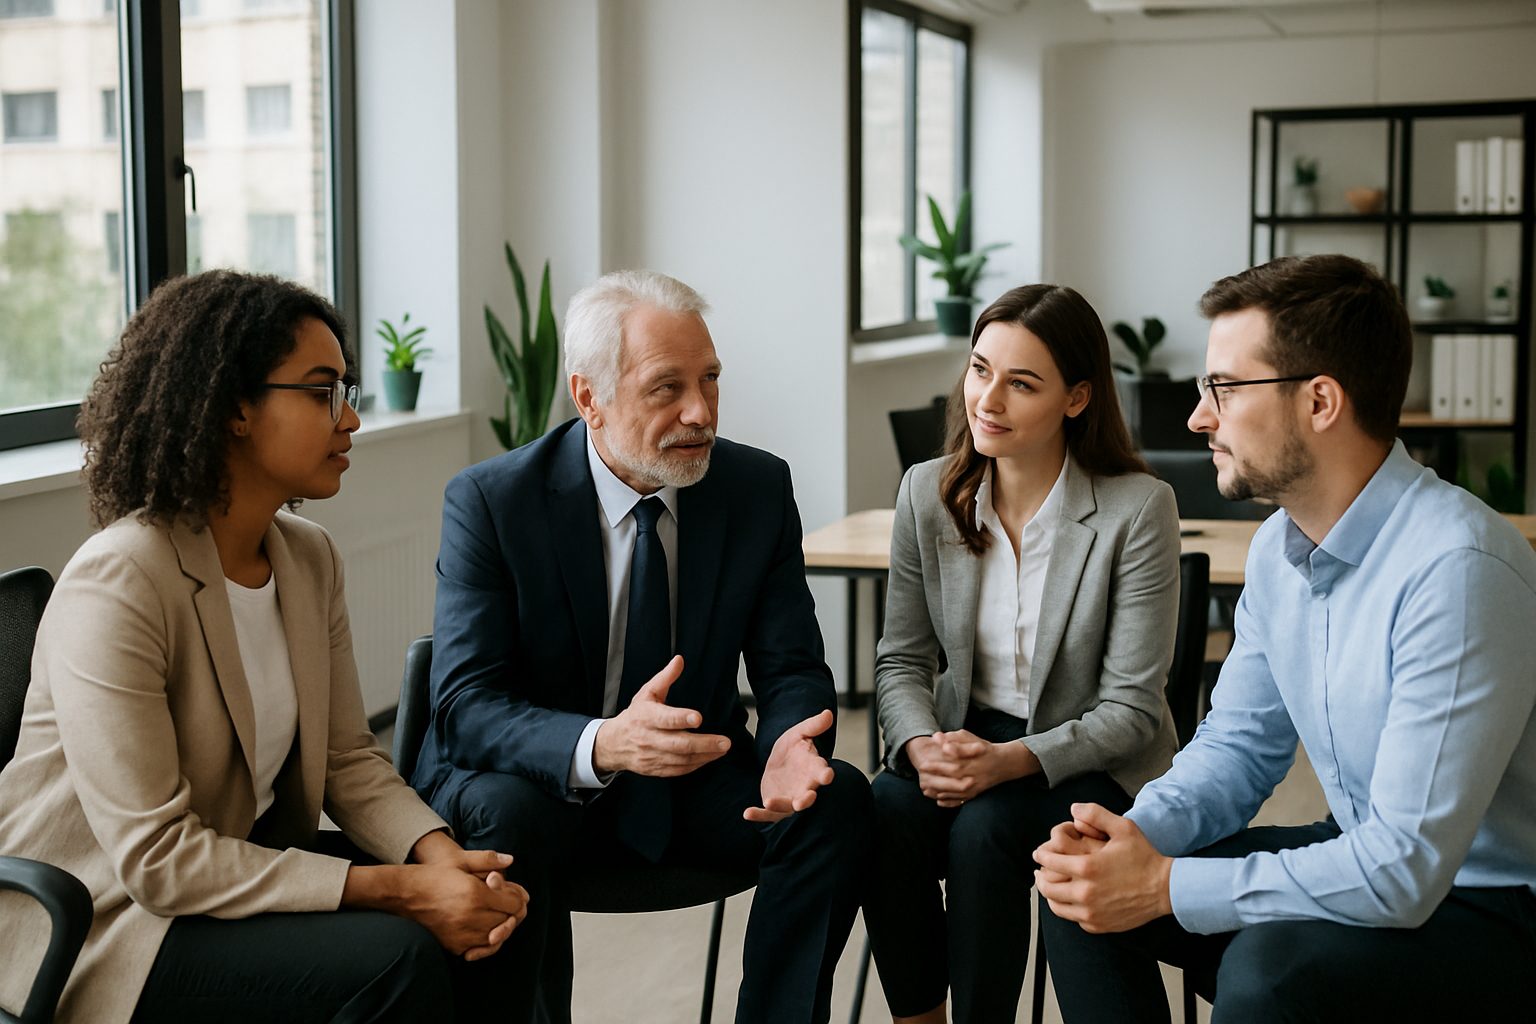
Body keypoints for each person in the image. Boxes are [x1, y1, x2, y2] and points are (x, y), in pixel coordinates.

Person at [0, 270, 529, 1024]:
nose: (348, 421)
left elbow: (347, 758)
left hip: (229, 876)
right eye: (321, 393)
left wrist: (438, 860)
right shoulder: (121, 579)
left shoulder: (307, 558)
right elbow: (157, 860)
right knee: (398, 956)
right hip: (107, 924)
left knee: (486, 916)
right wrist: (402, 891)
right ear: (234, 409)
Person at [1034, 254, 1536, 1022]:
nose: (1200, 417)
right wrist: (1133, 840)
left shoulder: (1457, 568)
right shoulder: (1278, 547)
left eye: (1225, 389)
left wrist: (1164, 885)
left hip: (1494, 905)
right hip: (1365, 851)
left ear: (1321, 401)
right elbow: (1238, 749)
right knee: (1086, 893)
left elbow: (1405, 869)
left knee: (1271, 972)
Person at [411, 269, 872, 1024]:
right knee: (501, 813)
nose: (701, 412)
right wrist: (605, 743)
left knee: (836, 799)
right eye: (667, 388)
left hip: (693, 780)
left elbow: (790, 663)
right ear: (588, 397)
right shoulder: (494, 501)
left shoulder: (754, 487)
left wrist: (792, 741)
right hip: (539, 783)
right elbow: (465, 706)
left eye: (711, 380)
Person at [862, 284, 1181, 1023]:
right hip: (964, 735)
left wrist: (1007, 762)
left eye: (1021, 383)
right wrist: (917, 746)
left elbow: (1132, 710)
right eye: (980, 370)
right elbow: (901, 659)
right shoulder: (925, 493)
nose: (988, 399)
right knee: (881, 808)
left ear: (1076, 399)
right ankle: (920, 1016)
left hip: (1085, 759)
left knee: (985, 831)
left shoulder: (1137, 509)